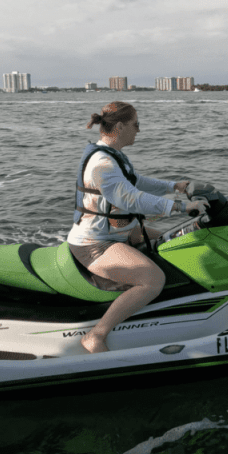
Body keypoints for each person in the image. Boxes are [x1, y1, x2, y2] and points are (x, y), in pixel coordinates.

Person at [67, 101, 207, 354]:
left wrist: (174, 186)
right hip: (95, 245)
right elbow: (130, 198)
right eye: (136, 125)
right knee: (153, 279)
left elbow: (136, 182)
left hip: (120, 233)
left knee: (172, 241)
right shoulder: (103, 164)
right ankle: (96, 335)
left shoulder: (113, 156)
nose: (139, 130)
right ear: (120, 127)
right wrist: (179, 207)